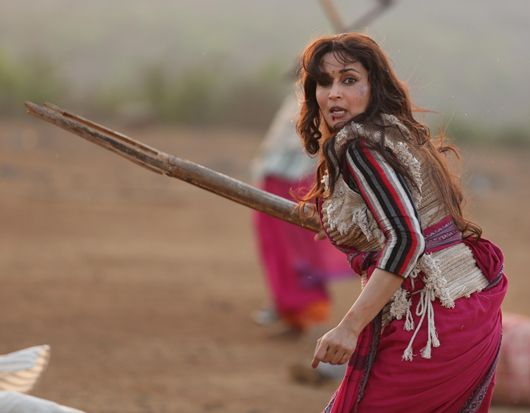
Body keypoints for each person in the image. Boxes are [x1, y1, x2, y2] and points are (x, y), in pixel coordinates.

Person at [295, 32, 507, 412]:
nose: (333, 95)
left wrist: (348, 327)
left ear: (374, 86)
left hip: (430, 324)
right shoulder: (395, 131)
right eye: (323, 83)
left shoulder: (359, 146)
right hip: (468, 314)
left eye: (348, 79)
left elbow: (406, 240)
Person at [251, 94, 352, 333]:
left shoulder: (324, 98)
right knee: (277, 245)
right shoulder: (301, 96)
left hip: (296, 181)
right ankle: (289, 306)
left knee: (294, 247)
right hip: (282, 176)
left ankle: (302, 307)